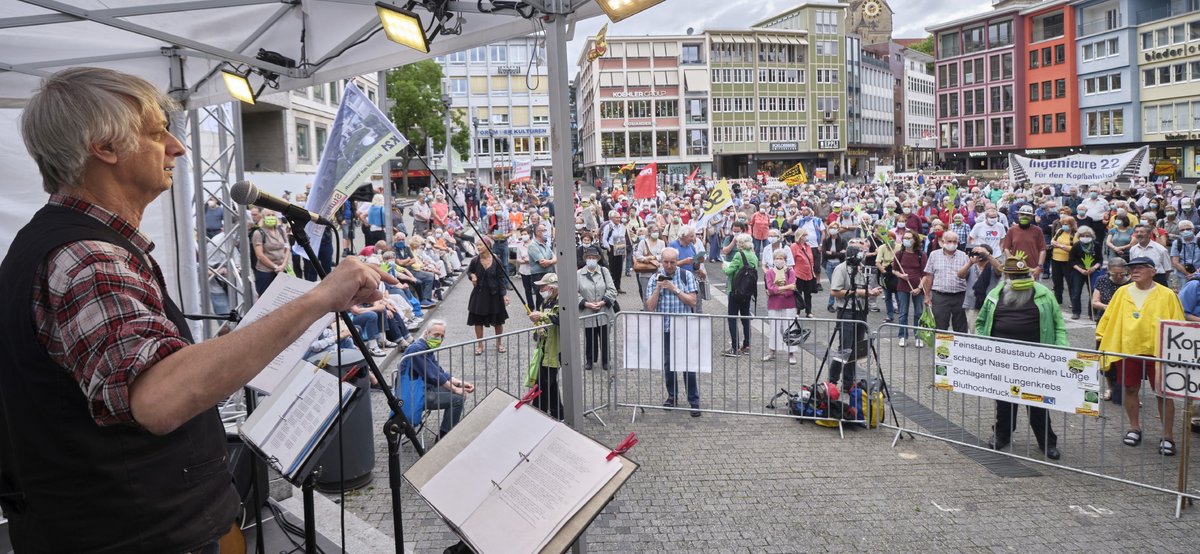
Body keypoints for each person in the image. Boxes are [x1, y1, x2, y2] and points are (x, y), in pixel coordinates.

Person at [0, 66, 383, 552]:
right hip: (134, 534)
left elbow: (116, 376)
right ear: (105, 147)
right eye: (157, 133)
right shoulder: (90, 259)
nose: (177, 148)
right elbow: (157, 399)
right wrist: (320, 297)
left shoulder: (58, 243)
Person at [976, 257, 1065, 460]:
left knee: (1038, 402)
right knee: (1004, 401)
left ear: (1029, 275)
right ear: (1007, 277)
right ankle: (1002, 435)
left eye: (1022, 276)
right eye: (1014, 276)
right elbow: (981, 322)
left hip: (1035, 360)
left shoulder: (1043, 294)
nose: (1018, 279)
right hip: (1003, 359)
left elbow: (1058, 323)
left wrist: (1062, 352)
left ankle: (1047, 442)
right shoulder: (995, 294)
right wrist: (981, 346)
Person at [1096, 256, 1186, 456]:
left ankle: (1168, 436)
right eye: (1132, 268)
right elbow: (1109, 317)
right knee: (1129, 389)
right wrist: (1102, 337)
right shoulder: (1122, 292)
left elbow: (1178, 323)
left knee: (1163, 393)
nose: (1135, 271)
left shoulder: (1167, 295)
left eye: (1140, 267)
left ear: (1153, 271)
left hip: (1159, 352)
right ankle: (1134, 427)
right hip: (1129, 349)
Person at [645, 247, 701, 417]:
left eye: (672, 262)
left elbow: (692, 301)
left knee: (687, 365)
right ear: (661, 261)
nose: (669, 265)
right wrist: (658, 289)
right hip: (665, 327)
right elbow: (650, 307)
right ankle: (672, 395)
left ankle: (694, 400)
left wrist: (674, 289)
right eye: (666, 262)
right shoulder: (655, 278)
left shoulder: (686, 276)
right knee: (669, 365)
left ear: (677, 262)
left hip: (684, 327)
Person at [403, 321, 474, 438]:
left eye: (442, 336)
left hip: (425, 388)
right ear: (426, 333)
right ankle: (444, 436)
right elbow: (434, 376)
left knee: (460, 394)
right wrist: (456, 390)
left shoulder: (425, 347)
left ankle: (446, 432)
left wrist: (460, 383)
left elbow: (439, 372)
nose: (439, 339)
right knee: (457, 399)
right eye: (436, 335)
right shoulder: (417, 349)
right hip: (417, 394)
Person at [828, 238, 881, 391]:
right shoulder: (841, 269)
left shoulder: (861, 268)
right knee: (845, 349)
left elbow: (863, 289)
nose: (864, 255)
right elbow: (834, 291)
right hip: (846, 312)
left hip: (861, 312)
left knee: (856, 349)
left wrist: (871, 293)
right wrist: (859, 292)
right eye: (861, 253)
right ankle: (832, 381)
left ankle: (848, 382)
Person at [1091, 257, 1128, 404]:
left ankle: (1128, 390)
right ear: (1109, 272)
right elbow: (1095, 302)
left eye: (1121, 274)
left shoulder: (1132, 283)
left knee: (1125, 358)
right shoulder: (1102, 280)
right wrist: (1109, 308)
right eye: (1115, 274)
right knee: (1106, 355)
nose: (1118, 277)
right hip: (1106, 323)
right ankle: (1110, 387)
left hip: (1126, 323)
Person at [466, 237, 510, 355]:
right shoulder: (475, 260)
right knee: (478, 321)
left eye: (480, 245)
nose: (478, 247)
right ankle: (480, 345)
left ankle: (499, 343)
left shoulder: (497, 260)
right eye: (477, 245)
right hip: (479, 294)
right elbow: (469, 272)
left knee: (498, 321)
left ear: (488, 245)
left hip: (494, 295)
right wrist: (472, 276)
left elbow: (501, 278)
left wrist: (504, 295)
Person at [528, 273, 564, 418]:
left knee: (543, 384)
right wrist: (539, 329)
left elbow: (561, 319)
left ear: (551, 287)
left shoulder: (562, 301)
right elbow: (544, 323)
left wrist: (542, 316)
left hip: (555, 350)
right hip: (544, 348)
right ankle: (558, 413)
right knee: (550, 384)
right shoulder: (547, 301)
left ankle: (538, 414)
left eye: (542, 286)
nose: (540, 289)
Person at [921, 230, 971, 333]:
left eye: (954, 242)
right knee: (940, 326)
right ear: (943, 241)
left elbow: (968, 276)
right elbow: (929, 276)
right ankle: (941, 349)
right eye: (949, 241)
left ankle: (959, 348)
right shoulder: (934, 255)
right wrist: (927, 295)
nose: (952, 244)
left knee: (961, 326)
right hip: (940, 296)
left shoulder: (964, 256)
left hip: (960, 295)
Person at [578, 246, 617, 371]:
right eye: (589, 258)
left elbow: (612, 290)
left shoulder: (604, 271)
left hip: (603, 310)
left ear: (597, 259)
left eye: (593, 258)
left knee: (604, 337)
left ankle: (606, 361)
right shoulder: (578, 274)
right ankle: (590, 360)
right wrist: (585, 303)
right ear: (585, 259)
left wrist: (602, 302)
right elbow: (574, 293)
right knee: (590, 337)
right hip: (587, 310)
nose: (591, 260)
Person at [722, 233, 758, 357]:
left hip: (736, 291)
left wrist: (724, 266)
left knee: (732, 318)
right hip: (747, 291)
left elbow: (728, 271)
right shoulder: (754, 256)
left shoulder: (739, 254)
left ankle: (735, 347)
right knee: (745, 318)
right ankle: (747, 345)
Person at [891, 230, 926, 347]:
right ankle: (902, 336)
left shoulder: (921, 255)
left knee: (919, 313)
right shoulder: (899, 254)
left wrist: (920, 288)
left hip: (918, 287)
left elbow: (925, 274)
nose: (906, 240)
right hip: (902, 287)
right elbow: (894, 270)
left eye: (909, 238)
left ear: (915, 240)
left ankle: (918, 336)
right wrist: (901, 275)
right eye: (905, 238)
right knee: (902, 313)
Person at [764, 250, 799, 364]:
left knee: (790, 328)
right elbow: (770, 288)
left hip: (789, 304)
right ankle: (772, 351)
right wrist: (785, 287)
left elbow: (791, 290)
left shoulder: (790, 271)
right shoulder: (769, 272)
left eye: (781, 258)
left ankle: (791, 353)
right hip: (774, 304)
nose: (779, 260)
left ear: (785, 260)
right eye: (777, 258)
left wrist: (777, 290)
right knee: (774, 328)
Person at [251, 210, 291, 297]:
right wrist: (275, 267)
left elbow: (287, 247)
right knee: (266, 297)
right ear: (263, 218)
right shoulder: (258, 233)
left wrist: (284, 264)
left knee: (281, 297)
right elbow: (260, 255)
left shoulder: (281, 230)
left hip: (281, 269)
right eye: (268, 215)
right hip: (265, 272)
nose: (271, 217)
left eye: (273, 215)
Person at [1068, 226, 1103, 320]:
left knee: (1093, 291)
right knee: (1076, 292)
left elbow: (1100, 259)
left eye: (1088, 235)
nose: (1085, 237)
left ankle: (1092, 313)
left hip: (1092, 271)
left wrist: (1094, 268)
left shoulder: (1096, 245)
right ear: (1079, 236)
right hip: (1078, 271)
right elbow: (1071, 261)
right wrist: (1081, 270)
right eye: (1083, 235)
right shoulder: (1076, 245)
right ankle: (1076, 312)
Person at [526, 222, 557, 310]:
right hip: (539, 275)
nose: (546, 232)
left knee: (551, 297)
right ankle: (540, 318)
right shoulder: (533, 246)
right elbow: (543, 263)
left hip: (550, 274)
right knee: (541, 298)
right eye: (544, 230)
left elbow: (555, 257)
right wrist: (552, 261)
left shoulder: (546, 244)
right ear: (538, 232)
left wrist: (550, 261)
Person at [790, 228, 818, 318]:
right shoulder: (794, 246)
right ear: (800, 236)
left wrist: (812, 271)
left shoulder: (808, 246)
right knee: (798, 293)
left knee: (808, 294)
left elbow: (811, 260)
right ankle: (797, 311)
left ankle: (808, 311)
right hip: (798, 274)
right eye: (805, 235)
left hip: (809, 274)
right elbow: (791, 261)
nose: (807, 236)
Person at [600, 210, 627, 293]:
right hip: (611, 247)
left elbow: (623, 237)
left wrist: (624, 249)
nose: (618, 219)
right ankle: (612, 288)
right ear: (612, 218)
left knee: (619, 268)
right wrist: (608, 247)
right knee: (612, 268)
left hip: (619, 246)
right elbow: (604, 239)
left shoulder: (621, 226)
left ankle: (618, 287)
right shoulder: (609, 226)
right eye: (617, 217)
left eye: (619, 217)